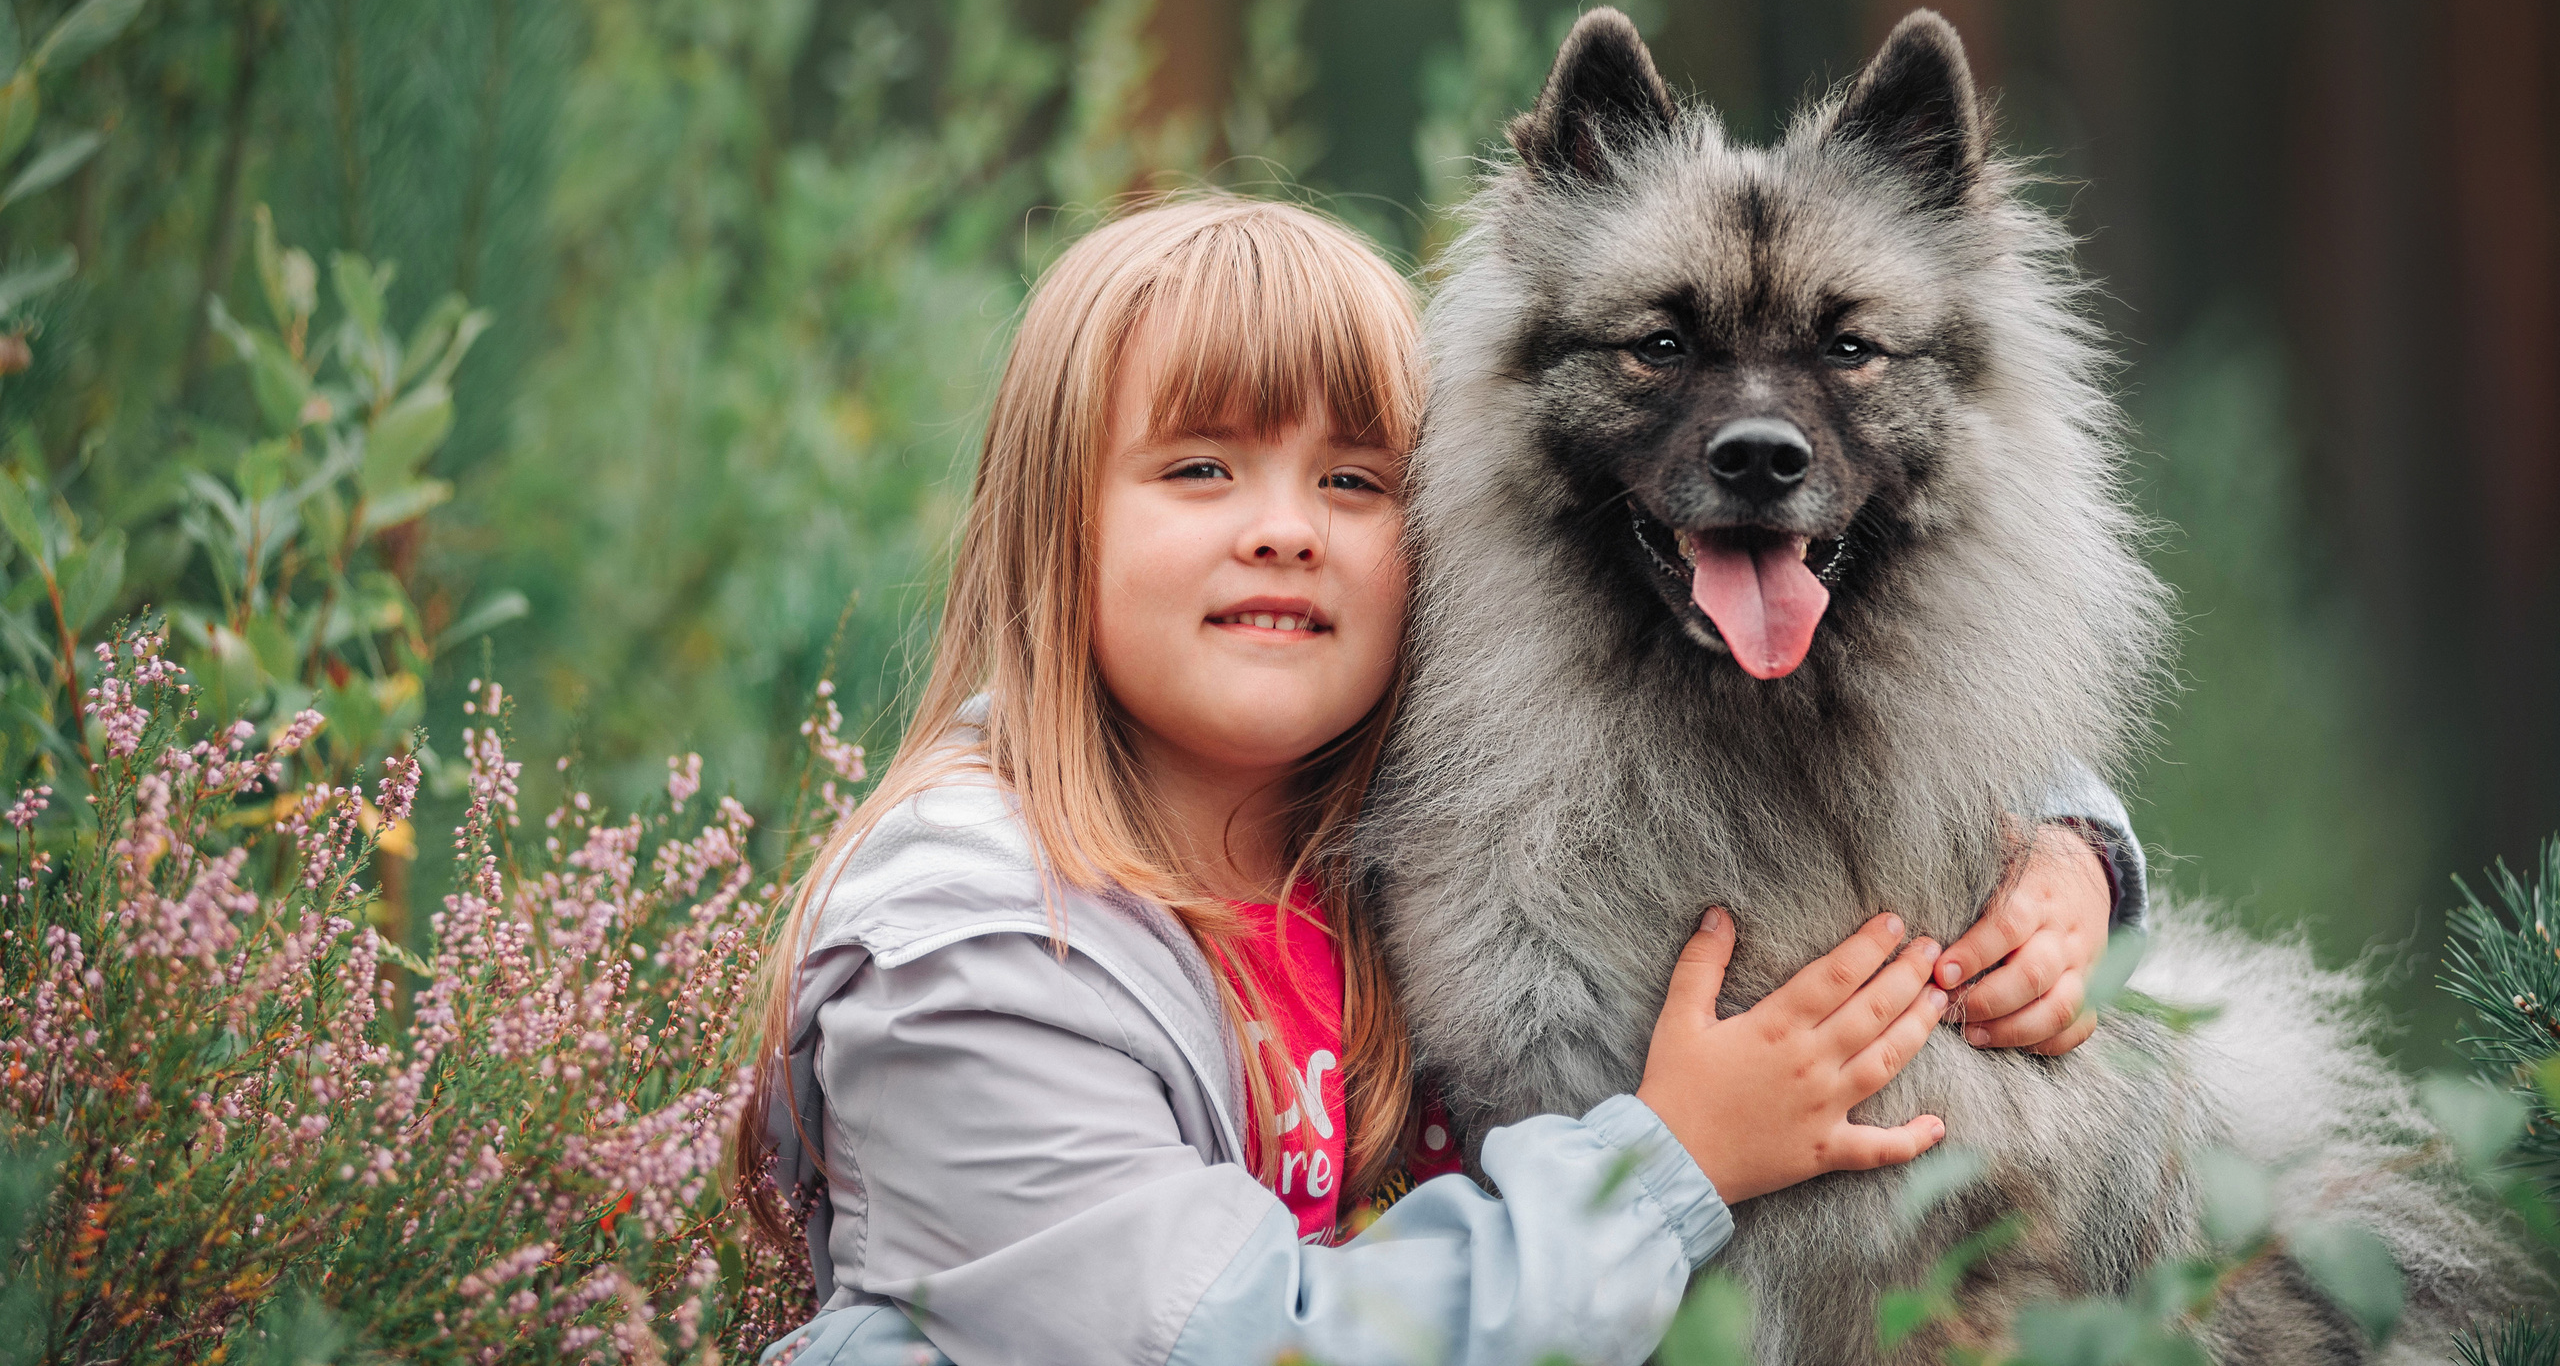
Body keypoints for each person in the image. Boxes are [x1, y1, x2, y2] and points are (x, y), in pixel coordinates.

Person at [736, 196, 2147, 1366]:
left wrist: (2074, 849)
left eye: (1354, 482)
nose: (1285, 530)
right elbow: (1234, 1343)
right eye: (1201, 467)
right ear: (1054, 527)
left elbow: (1819, 744)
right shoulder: (972, 938)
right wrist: (1668, 1165)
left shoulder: (1376, 799)